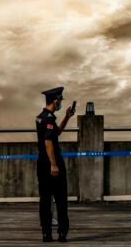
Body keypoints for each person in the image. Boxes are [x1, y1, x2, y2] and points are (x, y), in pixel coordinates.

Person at [35, 86, 74, 242]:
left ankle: (46, 234)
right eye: (60, 101)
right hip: (52, 162)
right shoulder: (49, 118)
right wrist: (54, 164)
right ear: (55, 100)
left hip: (41, 163)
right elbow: (49, 142)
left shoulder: (40, 117)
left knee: (45, 200)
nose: (60, 104)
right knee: (61, 200)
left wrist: (67, 117)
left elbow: (55, 133)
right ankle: (62, 233)